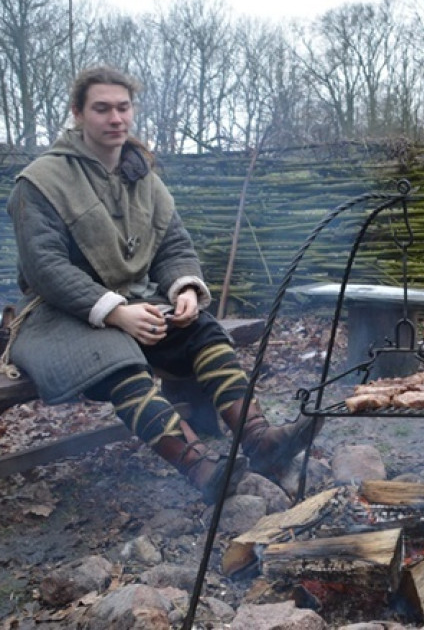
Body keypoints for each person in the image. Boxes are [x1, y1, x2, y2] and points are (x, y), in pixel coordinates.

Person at [5, 65, 319, 503]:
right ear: (77, 113)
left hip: (138, 305)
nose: (115, 118)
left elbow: (174, 247)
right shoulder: (41, 182)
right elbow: (45, 268)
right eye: (101, 109)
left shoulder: (144, 179)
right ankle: (199, 467)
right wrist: (114, 311)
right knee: (118, 362)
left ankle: (259, 439)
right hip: (60, 318)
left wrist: (184, 290)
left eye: (123, 107)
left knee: (204, 330)